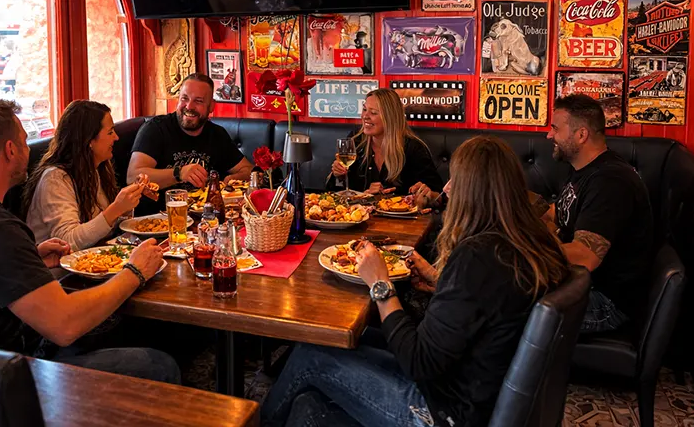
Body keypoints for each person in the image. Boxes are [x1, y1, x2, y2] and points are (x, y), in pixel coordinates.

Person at [262, 136, 571, 427]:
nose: (447, 189)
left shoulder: (477, 257)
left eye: (455, 180)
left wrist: (380, 284)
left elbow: (419, 361)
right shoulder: (526, 244)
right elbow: (487, 308)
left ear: (474, 192)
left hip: (443, 410)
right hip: (465, 385)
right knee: (312, 394)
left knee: (312, 354)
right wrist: (441, 282)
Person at [0, 98, 180, 384]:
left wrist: (32, 258)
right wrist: (135, 271)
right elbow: (65, 325)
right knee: (160, 365)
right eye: (26, 142)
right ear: (10, 150)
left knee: (115, 326)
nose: (29, 151)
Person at [547, 94, 654, 333]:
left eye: (555, 128)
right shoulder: (584, 169)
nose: (549, 135)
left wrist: (518, 253)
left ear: (581, 134)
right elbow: (558, 213)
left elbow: (585, 256)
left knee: (507, 302)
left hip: (607, 303)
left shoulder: (610, 181)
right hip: (582, 286)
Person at [24, 100, 147, 251]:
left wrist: (129, 202)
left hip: (95, 259)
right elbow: (67, 241)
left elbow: (103, 228)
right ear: (89, 140)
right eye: (110, 132)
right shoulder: (55, 179)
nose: (116, 137)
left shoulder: (97, 168)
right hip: (59, 270)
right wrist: (116, 208)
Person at [127, 73, 254, 192]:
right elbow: (133, 177)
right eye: (184, 98)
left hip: (205, 212)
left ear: (211, 106)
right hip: (159, 213)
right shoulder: (155, 129)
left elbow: (248, 170)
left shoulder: (216, 134)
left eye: (198, 101)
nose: (189, 106)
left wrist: (233, 179)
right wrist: (179, 173)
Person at [328, 88, 442, 203]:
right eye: (364, 109)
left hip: (399, 219)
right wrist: (338, 175)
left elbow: (439, 197)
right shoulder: (355, 140)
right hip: (357, 216)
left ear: (390, 117)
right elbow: (334, 193)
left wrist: (426, 194)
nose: (365, 116)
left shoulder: (413, 148)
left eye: (373, 113)